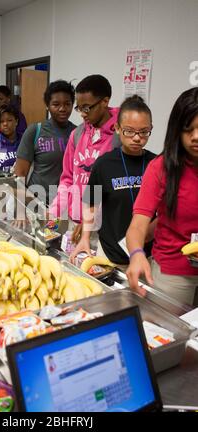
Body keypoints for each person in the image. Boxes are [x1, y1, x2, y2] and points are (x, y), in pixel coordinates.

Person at [126, 87, 198, 305]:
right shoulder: (161, 168)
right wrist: (137, 253)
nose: (196, 137)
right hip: (172, 274)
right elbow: (138, 226)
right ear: (177, 130)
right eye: (188, 129)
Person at [70, 95, 156, 268]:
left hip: (146, 255)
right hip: (109, 254)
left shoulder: (156, 164)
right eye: (129, 131)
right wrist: (85, 237)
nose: (137, 138)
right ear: (117, 128)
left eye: (144, 131)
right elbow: (91, 202)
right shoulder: (104, 164)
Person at [49, 75, 119, 236]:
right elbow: (67, 179)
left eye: (87, 107)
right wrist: (54, 212)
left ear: (104, 101)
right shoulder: (77, 134)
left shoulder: (119, 137)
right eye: (79, 108)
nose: (82, 114)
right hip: (76, 221)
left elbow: (116, 188)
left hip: (104, 226)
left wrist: (90, 220)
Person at [14, 79, 76, 205]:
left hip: (64, 205)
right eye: (56, 104)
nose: (62, 109)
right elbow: (20, 173)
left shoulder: (78, 133)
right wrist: (20, 208)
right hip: (36, 202)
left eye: (67, 104)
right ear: (47, 106)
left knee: (57, 225)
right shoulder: (35, 131)